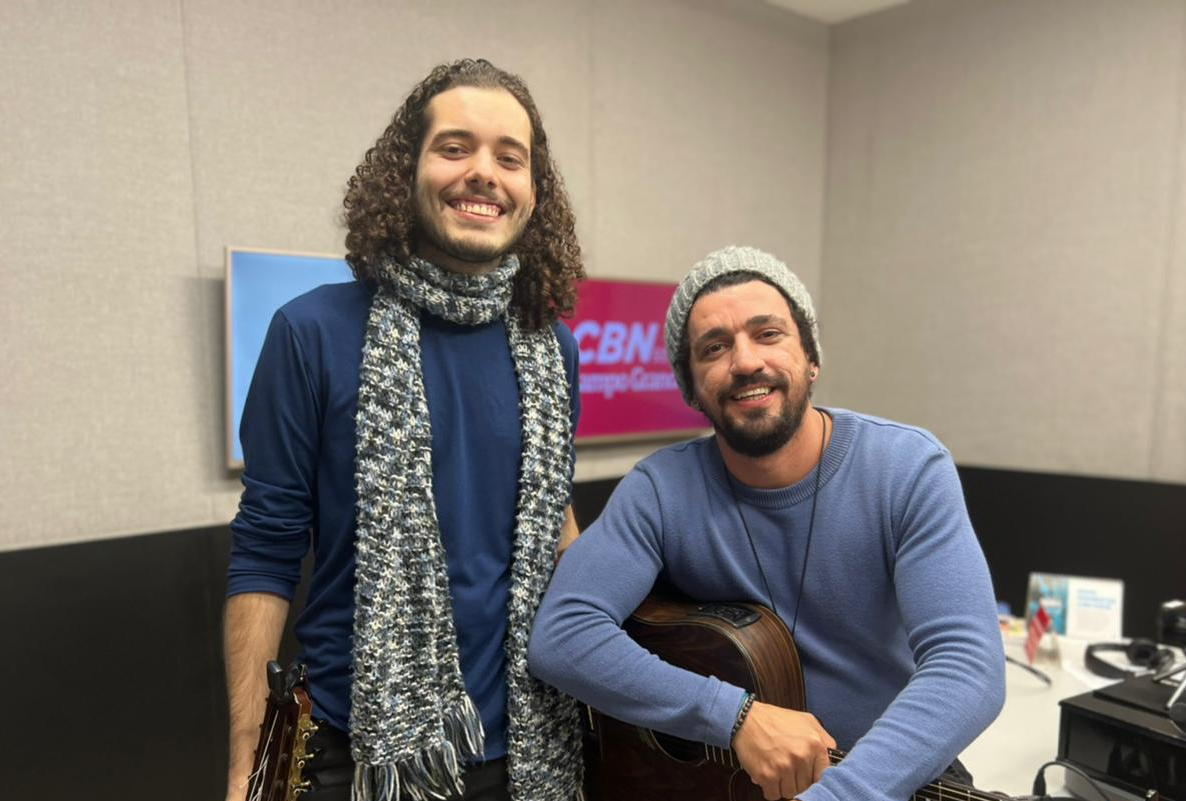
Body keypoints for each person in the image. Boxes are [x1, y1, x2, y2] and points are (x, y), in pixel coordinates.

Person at [224, 59, 584, 801]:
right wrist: (245, 768)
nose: (483, 172)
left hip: (531, 748)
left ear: (533, 192)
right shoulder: (312, 332)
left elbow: (551, 523)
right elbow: (265, 548)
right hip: (360, 754)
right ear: (407, 169)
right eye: (455, 147)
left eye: (509, 157)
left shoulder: (554, 348)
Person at [528, 246, 1005, 801]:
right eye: (715, 347)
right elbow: (562, 636)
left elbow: (968, 666)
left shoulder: (907, 468)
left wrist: (841, 794)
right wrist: (734, 717)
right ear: (691, 387)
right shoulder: (660, 490)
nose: (746, 361)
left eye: (768, 333)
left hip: (892, 781)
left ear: (811, 358)